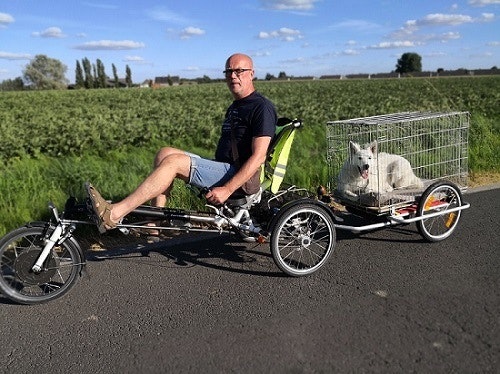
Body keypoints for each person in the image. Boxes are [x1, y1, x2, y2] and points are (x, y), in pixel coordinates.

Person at [87, 53, 277, 233]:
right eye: (228, 71)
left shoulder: (261, 107)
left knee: (174, 163)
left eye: (239, 71)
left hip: (239, 178)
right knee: (165, 153)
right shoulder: (236, 106)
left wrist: (227, 189)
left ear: (251, 74)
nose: (233, 76)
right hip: (224, 168)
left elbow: (259, 156)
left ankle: (114, 214)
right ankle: (155, 222)